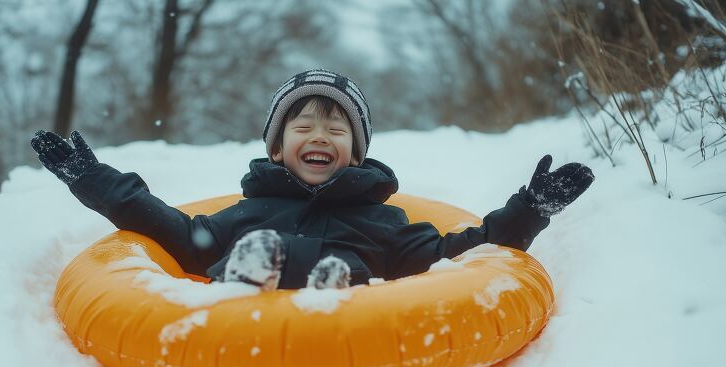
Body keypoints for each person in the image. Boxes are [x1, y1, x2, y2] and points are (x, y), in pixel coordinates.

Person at [30, 69, 594, 291]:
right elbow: (170, 230)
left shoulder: (383, 222)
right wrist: (94, 180)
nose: (320, 135)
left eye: (336, 129)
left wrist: (530, 209)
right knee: (255, 248)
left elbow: (462, 254)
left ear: (355, 153)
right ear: (278, 147)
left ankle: (333, 289)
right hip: (238, 310)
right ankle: (249, 279)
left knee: (347, 266)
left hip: (351, 301)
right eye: (303, 125)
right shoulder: (244, 215)